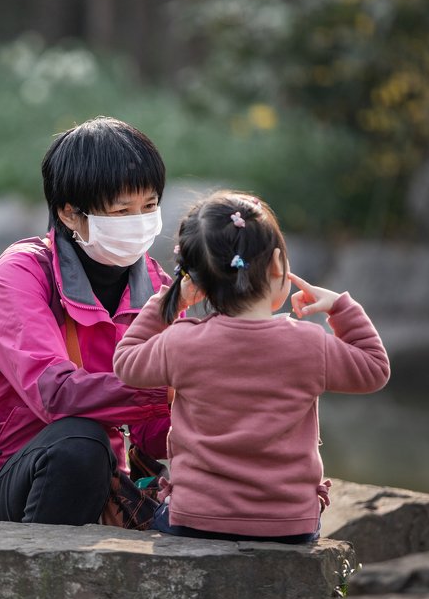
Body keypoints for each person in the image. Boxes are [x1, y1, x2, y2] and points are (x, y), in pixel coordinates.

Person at [113, 191, 390, 543]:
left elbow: (125, 362)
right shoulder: (309, 343)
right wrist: (339, 307)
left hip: (195, 519)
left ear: (196, 279)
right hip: (290, 525)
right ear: (277, 265)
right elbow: (375, 368)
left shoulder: (182, 342)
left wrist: (170, 301)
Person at [0, 116, 174, 525]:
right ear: (69, 214)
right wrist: (170, 388)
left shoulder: (161, 288)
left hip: (100, 483)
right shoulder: (23, 272)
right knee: (79, 444)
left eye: (150, 205)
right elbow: (54, 393)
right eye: (122, 210)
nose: (139, 221)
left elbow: (154, 433)